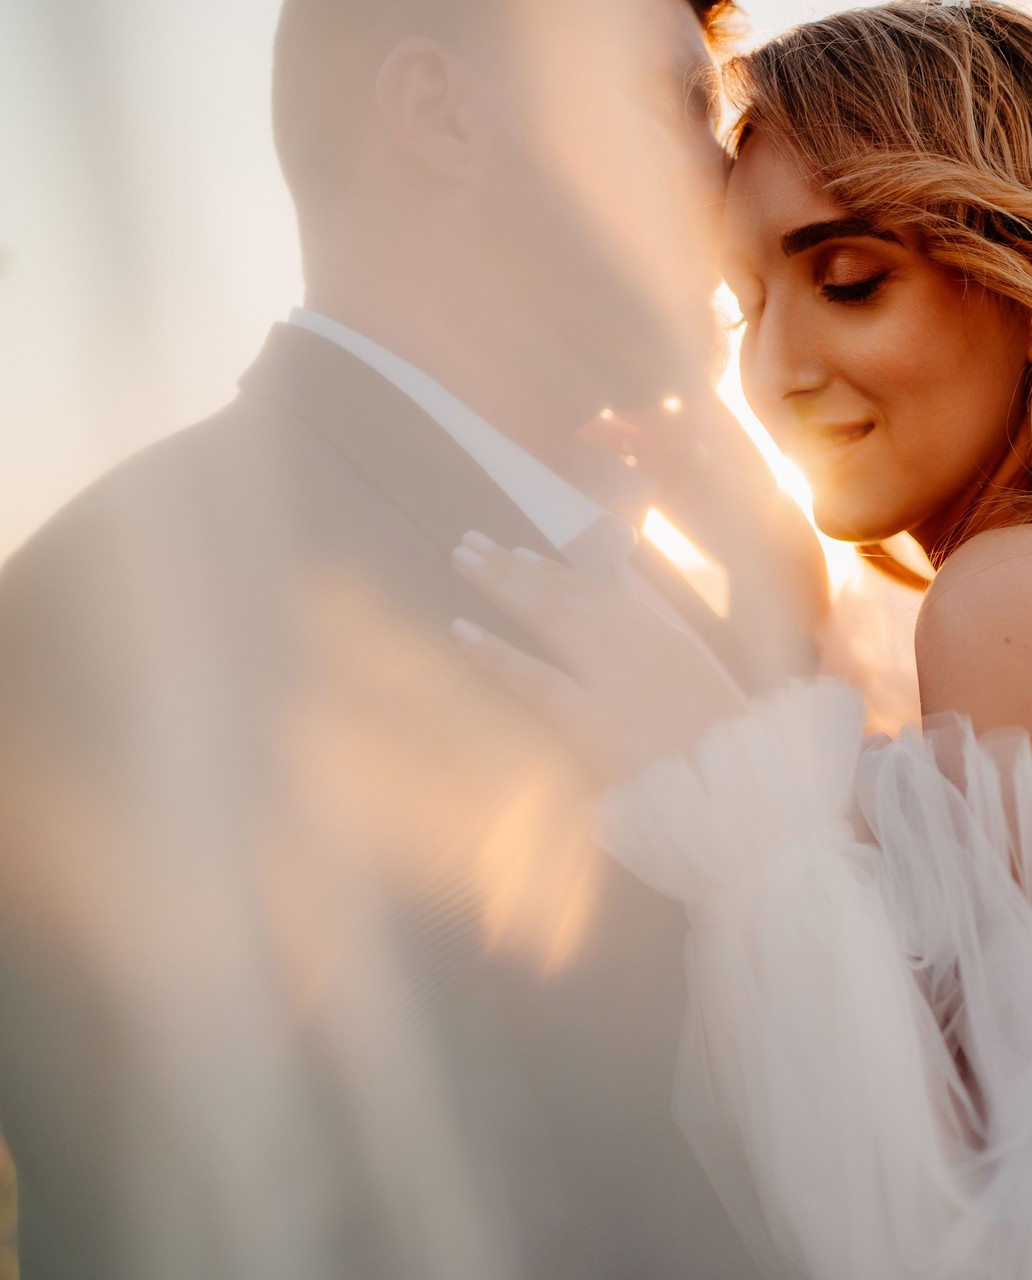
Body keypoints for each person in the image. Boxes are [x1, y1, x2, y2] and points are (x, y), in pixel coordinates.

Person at [453, 4, 1032, 1276]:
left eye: (847, 281)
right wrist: (789, 617)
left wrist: (734, 811)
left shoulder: (1025, 597)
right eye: (745, 306)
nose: (773, 371)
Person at [0, 0, 822, 1275]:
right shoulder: (120, 610)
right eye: (674, 109)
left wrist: (784, 647)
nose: (730, 182)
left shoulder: (688, 584)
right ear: (439, 111)